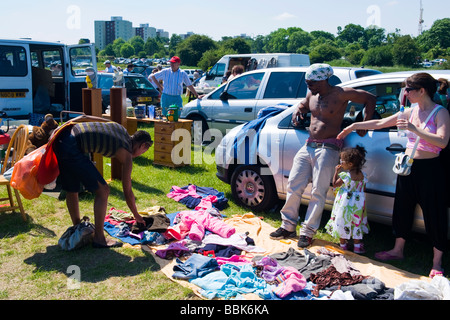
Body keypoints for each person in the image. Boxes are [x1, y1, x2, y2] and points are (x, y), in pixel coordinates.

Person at [337, 72, 450, 278]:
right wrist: (354, 125)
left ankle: (436, 262)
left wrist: (415, 129)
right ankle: (397, 250)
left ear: (421, 91)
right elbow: (380, 124)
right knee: (402, 208)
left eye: (408, 89)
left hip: (430, 169)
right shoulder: (410, 111)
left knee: (434, 214)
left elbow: (442, 141)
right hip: (408, 168)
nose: (405, 93)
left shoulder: (439, 113)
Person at [269, 63, 376, 248]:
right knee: (293, 184)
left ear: (323, 80)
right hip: (308, 145)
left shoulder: (341, 93)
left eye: (311, 82)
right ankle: (288, 226)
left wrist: (365, 124)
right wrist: (297, 111)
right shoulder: (311, 94)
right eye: (307, 82)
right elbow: (302, 106)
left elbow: (370, 98)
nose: (308, 85)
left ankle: (308, 232)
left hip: (329, 147)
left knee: (318, 191)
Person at [53, 116, 153, 248]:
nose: (141, 153)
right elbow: (127, 191)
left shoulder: (121, 129)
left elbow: (95, 119)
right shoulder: (126, 153)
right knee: (103, 190)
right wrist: (137, 216)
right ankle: (99, 238)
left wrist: (74, 121)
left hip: (63, 137)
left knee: (73, 189)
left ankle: (78, 230)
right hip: (73, 146)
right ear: (143, 145)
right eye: (144, 150)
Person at [325, 145, 369, 254]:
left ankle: (343, 245)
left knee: (342, 221)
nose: (340, 162)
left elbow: (335, 185)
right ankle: (357, 246)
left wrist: (336, 172)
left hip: (345, 203)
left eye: (342, 160)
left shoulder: (346, 175)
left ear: (350, 164)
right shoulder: (363, 175)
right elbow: (363, 189)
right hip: (358, 204)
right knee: (356, 222)